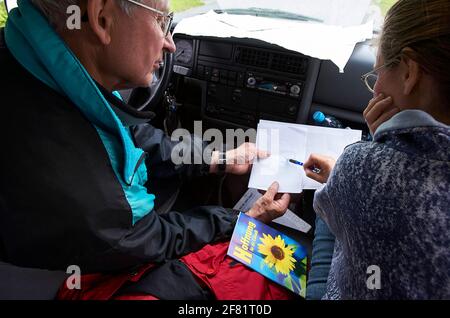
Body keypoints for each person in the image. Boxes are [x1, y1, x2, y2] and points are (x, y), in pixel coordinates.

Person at [0, 0, 292, 299]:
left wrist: (216, 158)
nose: (170, 44)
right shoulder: (92, 195)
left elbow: (127, 135)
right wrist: (241, 220)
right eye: (161, 22)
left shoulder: (38, 64)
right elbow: (151, 238)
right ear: (101, 18)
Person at [304, 0, 450, 299]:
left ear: (410, 72)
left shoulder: (361, 169)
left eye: (379, 70)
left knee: (322, 216)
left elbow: (352, 211)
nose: (376, 87)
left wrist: (374, 146)